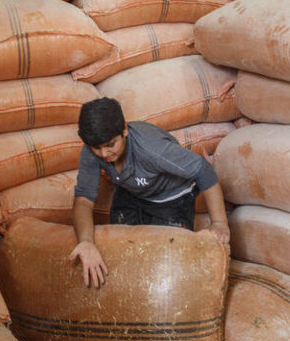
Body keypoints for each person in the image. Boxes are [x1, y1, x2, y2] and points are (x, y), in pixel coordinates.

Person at [67, 97, 230, 288]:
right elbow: (84, 199)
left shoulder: (151, 148)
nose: (104, 154)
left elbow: (203, 170)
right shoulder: (91, 150)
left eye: (111, 145)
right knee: (121, 253)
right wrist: (86, 243)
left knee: (171, 261)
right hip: (132, 192)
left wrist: (219, 222)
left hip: (172, 196)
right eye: (97, 148)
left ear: (125, 130)